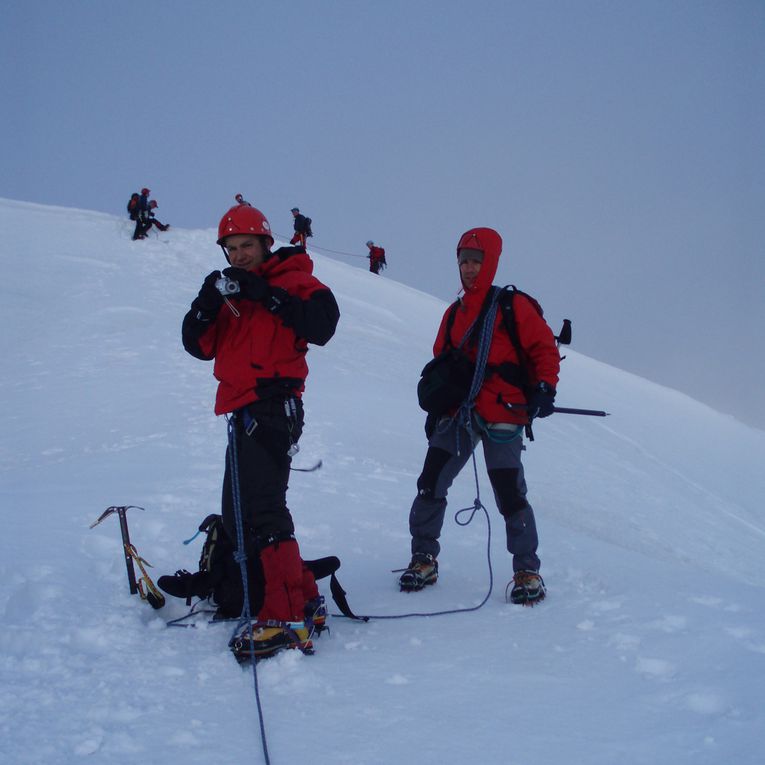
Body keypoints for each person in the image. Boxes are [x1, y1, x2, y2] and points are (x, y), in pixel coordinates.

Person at [181, 203, 340, 657]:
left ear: (266, 244)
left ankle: (285, 614)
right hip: (243, 411)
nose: (238, 255)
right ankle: (302, 597)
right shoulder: (230, 295)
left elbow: (323, 324)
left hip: (273, 406)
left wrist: (265, 294)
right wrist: (205, 306)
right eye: (231, 248)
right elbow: (197, 346)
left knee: (263, 511)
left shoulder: (293, 278)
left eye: (246, 245)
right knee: (237, 516)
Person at [399, 227, 560, 605]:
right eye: (463, 262)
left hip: (505, 409)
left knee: (508, 490)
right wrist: (437, 408)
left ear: (490, 263)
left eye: (476, 261)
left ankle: (526, 569)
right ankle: (424, 558)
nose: (469, 269)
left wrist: (544, 388)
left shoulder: (511, 305)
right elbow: (442, 360)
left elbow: (543, 349)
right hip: (459, 413)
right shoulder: (454, 314)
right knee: (430, 482)